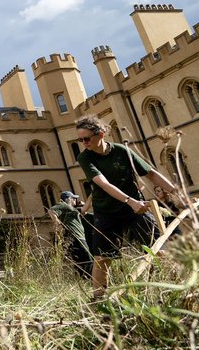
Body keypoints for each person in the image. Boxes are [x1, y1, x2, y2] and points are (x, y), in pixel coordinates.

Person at [74, 115, 183, 299]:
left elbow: (151, 174)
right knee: (102, 258)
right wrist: (129, 201)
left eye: (86, 138)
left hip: (135, 209)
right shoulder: (85, 158)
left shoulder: (122, 151)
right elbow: (104, 184)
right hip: (106, 211)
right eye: (80, 139)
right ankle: (99, 299)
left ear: (100, 134)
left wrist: (178, 193)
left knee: (157, 248)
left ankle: (175, 289)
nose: (83, 143)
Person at [49, 190, 93, 279]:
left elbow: (85, 209)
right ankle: (89, 280)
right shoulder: (64, 205)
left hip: (79, 237)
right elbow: (51, 211)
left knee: (83, 260)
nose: (75, 201)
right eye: (74, 199)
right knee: (87, 260)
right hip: (74, 236)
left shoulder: (73, 209)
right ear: (68, 198)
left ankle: (85, 280)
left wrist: (91, 196)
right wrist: (58, 223)